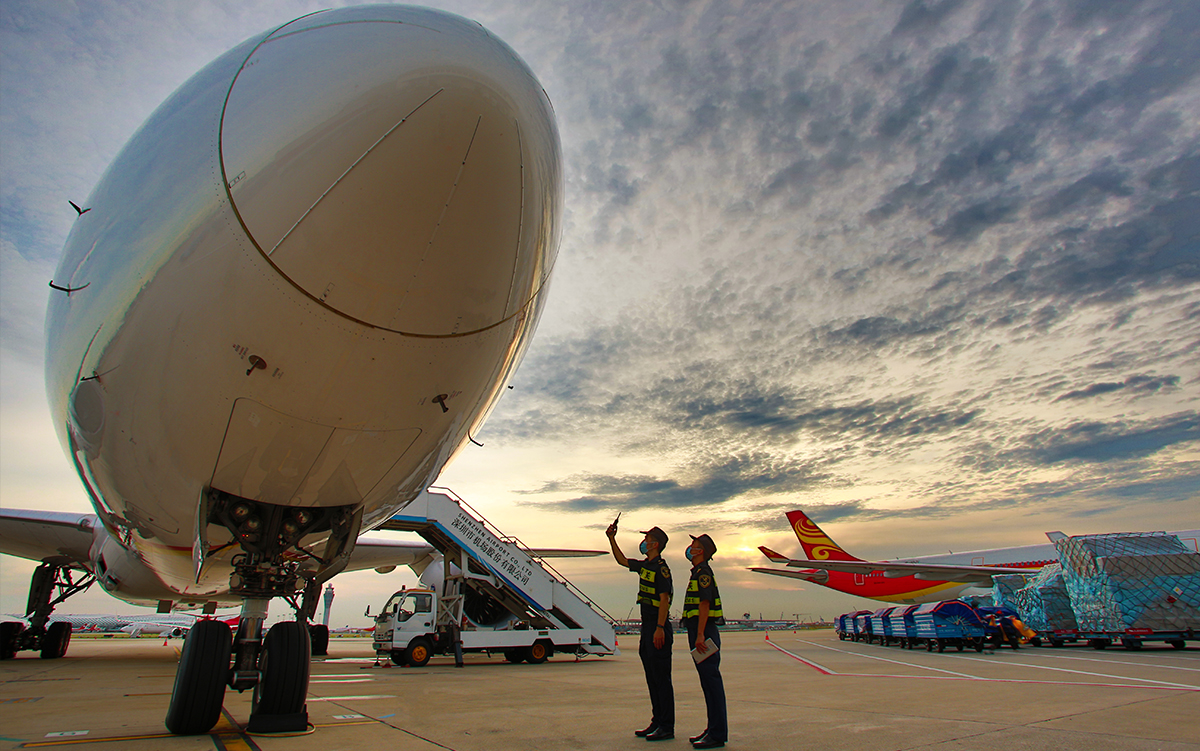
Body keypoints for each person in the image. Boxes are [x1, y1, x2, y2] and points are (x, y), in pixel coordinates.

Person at [607, 521, 674, 741]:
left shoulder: (661, 569)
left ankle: (666, 726)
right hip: (648, 628)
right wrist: (611, 538)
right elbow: (622, 561)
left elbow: (665, 600)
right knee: (652, 678)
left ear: (655, 544)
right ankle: (657, 721)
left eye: (646, 539)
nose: (643, 542)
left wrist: (660, 628)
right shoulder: (645, 566)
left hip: (657, 628)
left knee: (662, 679)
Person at [682, 533, 727, 749]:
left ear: (701, 551)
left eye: (694, 545)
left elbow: (704, 604)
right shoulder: (698, 572)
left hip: (704, 633)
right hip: (699, 632)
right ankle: (712, 729)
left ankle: (717, 733)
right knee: (707, 684)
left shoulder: (703, 573)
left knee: (711, 682)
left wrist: (700, 635)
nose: (690, 548)